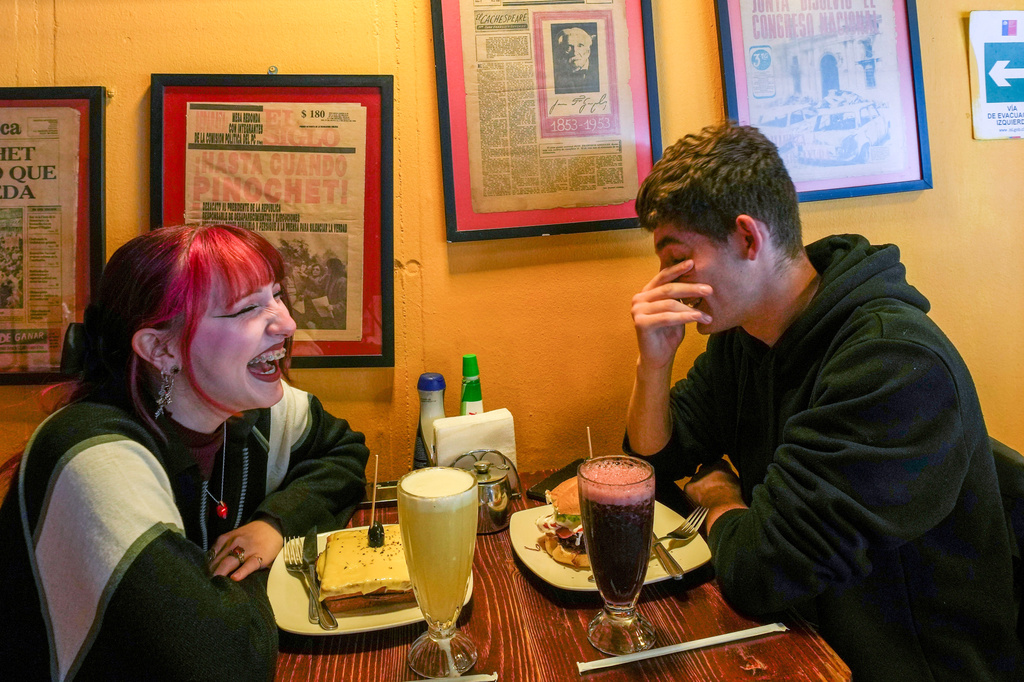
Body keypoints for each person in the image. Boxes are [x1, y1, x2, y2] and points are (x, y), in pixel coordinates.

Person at [625, 121, 1024, 680]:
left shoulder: (888, 365)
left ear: (747, 238)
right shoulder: (748, 336)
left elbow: (760, 570)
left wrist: (716, 496)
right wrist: (654, 365)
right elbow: (654, 464)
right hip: (810, 631)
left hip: (909, 661)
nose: (665, 284)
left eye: (676, 260)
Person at [0, 224, 369, 680]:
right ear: (161, 347)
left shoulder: (247, 408)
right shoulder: (92, 458)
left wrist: (272, 526)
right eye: (247, 308)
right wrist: (240, 572)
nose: (288, 323)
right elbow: (225, 663)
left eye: (276, 295)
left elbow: (343, 453)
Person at [553, 26, 599, 94]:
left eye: (580, 46)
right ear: (562, 50)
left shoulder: (600, 72)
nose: (574, 52)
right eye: (569, 47)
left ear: (588, 51)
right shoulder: (556, 75)